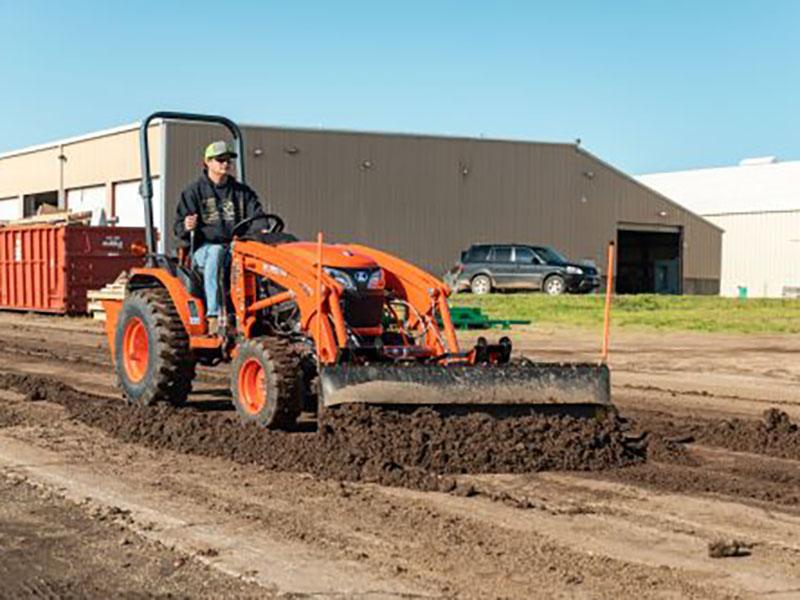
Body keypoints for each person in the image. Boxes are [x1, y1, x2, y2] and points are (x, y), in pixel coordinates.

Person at [174, 140, 267, 333]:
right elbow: (178, 226)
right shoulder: (193, 192)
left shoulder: (242, 192)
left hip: (235, 246)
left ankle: (261, 312)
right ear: (207, 162)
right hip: (203, 250)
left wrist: (261, 229)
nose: (225, 164)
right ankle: (214, 315)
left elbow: (257, 216)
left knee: (258, 256)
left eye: (228, 160)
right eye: (220, 160)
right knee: (216, 253)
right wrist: (186, 225)